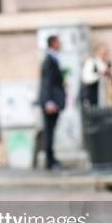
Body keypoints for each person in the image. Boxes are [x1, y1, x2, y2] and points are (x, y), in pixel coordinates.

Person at [39, 35, 66, 170]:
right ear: (54, 43)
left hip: (54, 100)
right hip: (50, 102)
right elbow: (46, 82)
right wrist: (49, 102)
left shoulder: (53, 58)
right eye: (59, 41)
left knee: (51, 131)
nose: (60, 44)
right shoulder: (49, 60)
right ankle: (49, 161)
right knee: (49, 132)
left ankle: (51, 158)